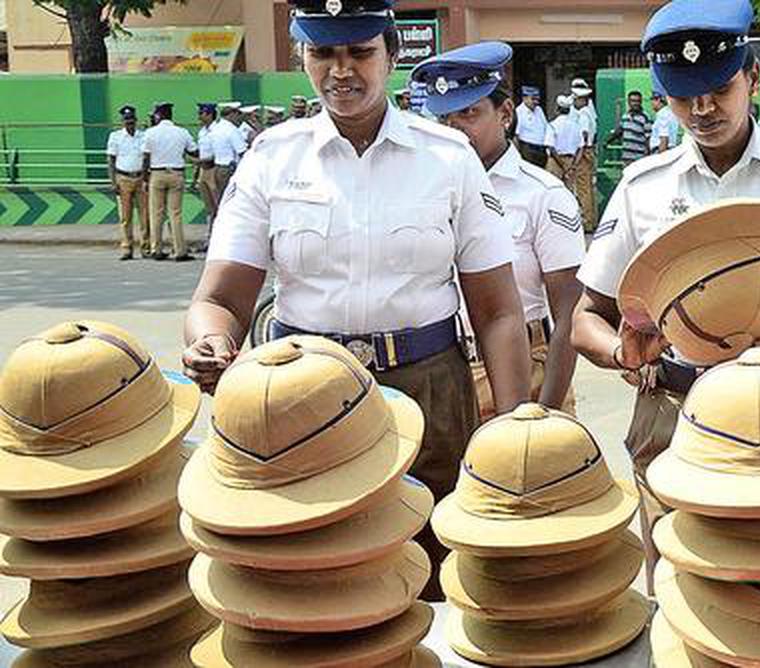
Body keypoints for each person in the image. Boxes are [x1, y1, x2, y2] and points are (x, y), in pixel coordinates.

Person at [183, 0, 532, 600]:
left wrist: (512, 422)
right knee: (311, 575)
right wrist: (212, 340)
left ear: (393, 56)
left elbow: (498, 310)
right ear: (302, 57)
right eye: (323, 53)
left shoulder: (448, 160)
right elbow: (219, 300)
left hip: (430, 393)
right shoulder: (272, 158)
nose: (341, 71)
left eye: (360, 52)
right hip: (298, 398)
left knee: (433, 571)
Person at [573, 0, 760, 589]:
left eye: (718, 88)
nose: (703, 108)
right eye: (684, 95)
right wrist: (621, 352)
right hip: (673, 410)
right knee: (680, 586)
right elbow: (587, 316)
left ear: (753, 78)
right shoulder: (643, 187)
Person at [412, 41, 586, 420]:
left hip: (530, 369)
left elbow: (569, 313)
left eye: (469, 113)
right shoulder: (421, 193)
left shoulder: (543, 195)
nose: (455, 131)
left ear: (505, 112)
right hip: (445, 369)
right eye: (445, 120)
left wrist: (545, 413)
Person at [141, 101, 197, 262]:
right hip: (176, 174)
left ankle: (156, 249)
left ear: (158, 115)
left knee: (156, 213)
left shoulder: (150, 133)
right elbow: (194, 151)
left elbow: (145, 156)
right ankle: (180, 250)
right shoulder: (182, 132)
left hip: (157, 174)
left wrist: (145, 178)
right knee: (175, 213)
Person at [107, 105, 150, 261]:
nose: (129, 123)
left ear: (136, 121)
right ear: (122, 121)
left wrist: (146, 178)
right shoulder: (115, 137)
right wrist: (113, 181)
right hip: (123, 178)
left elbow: (147, 158)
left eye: (131, 120)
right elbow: (111, 160)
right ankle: (127, 248)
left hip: (140, 178)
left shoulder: (143, 136)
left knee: (144, 215)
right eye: (126, 120)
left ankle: (145, 247)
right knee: (125, 217)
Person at [569, 78, 599, 230]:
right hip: (588, 150)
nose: (574, 102)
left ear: (582, 100)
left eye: (576, 100)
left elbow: (584, 135)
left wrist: (576, 159)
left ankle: (587, 222)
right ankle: (591, 220)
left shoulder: (583, 114)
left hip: (584, 151)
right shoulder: (589, 112)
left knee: (583, 189)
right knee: (587, 188)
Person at [193, 103, 220, 244]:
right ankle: (209, 239)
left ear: (209, 114)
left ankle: (220, 238)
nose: (199, 116)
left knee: (219, 206)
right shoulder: (202, 132)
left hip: (214, 169)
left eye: (201, 113)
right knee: (209, 208)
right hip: (204, 170)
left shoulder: (217, 130)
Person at [545, 94, 583, 182]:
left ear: (557, 109)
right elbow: (581, 148)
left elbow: (551, 147)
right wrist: (573, 165)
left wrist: (562, 165)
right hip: (571, 161)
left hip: (555, 162)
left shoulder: (552, 125)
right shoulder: (577, 126)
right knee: (569, 192)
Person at [610, 90, 653, 166]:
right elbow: (620, 131)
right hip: (626, 157)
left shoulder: (645, 117)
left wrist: (648, 156)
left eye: (638, 101)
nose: (636, 103)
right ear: (629, 102)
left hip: (639, 158)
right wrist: (608, 141)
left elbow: (648, 138)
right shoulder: (625, 116)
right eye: (633, 101)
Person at [515, 86, 550, 168]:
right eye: (533, 99)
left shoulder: (539, 110)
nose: (536, 102)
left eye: (537, 100)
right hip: (527, 149)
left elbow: (545, 128)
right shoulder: (519, 112)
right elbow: (516, 136)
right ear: (524, 98)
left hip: (541, 149)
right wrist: (518, 154)